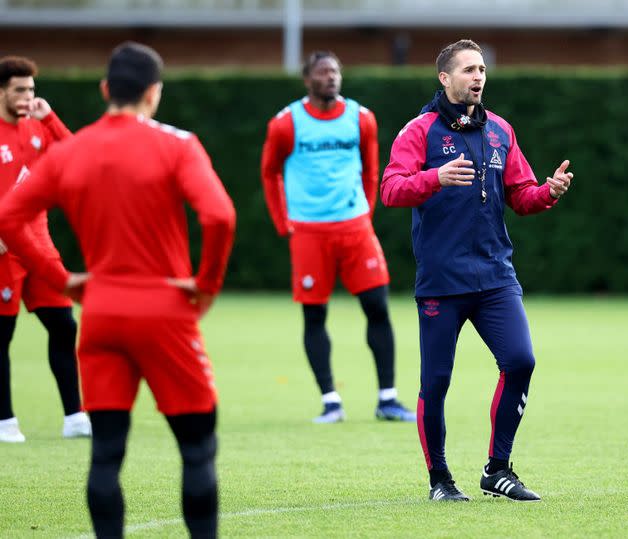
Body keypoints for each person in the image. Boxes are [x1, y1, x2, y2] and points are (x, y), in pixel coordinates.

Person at [0, 42, 236, 537]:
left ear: (106, 89)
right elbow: (219, 216)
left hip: (102, 313)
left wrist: (61, 278)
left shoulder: (69, 150)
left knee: (106, 452)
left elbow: (10, 217)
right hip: (166, 311)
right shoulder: (178, 144)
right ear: (154, 93)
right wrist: (206, 286)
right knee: (196, 449)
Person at [381, 39, 573, 502]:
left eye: (482, 69)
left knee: (521, 361)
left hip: (494, 278)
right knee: (437, 382)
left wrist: (548, 192)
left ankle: (498, 470)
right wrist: (435, 178)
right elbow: (390, 190)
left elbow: (521, 196)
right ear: (444, 79)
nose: (478, 77)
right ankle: (440, 480)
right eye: (468, 69)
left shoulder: (500, 131)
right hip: (442, 282)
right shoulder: (419, 131)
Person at [261, 51, 415, 424]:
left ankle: (388, 399)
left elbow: (371, 167)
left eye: (335, 71)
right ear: (307, 80)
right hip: (309, 231)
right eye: (322, 72)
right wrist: (284, 224)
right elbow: (270, 173)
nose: (331, 77)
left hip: (354, 227)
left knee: (377, 307)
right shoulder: (286, 124)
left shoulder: (361, 118)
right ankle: (331, 400)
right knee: (315, 315)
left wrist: (364, 211)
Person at [0, 55, 91, 443]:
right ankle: (4, 421)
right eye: (19, 89)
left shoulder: (39, 127)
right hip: (3, 250)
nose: (26, 96)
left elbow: (80, 156)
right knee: (2, 334)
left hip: (38, 245)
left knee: (63, 324)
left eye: (31, 89)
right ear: (1, 91)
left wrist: (50, 116)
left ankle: (74, 416)